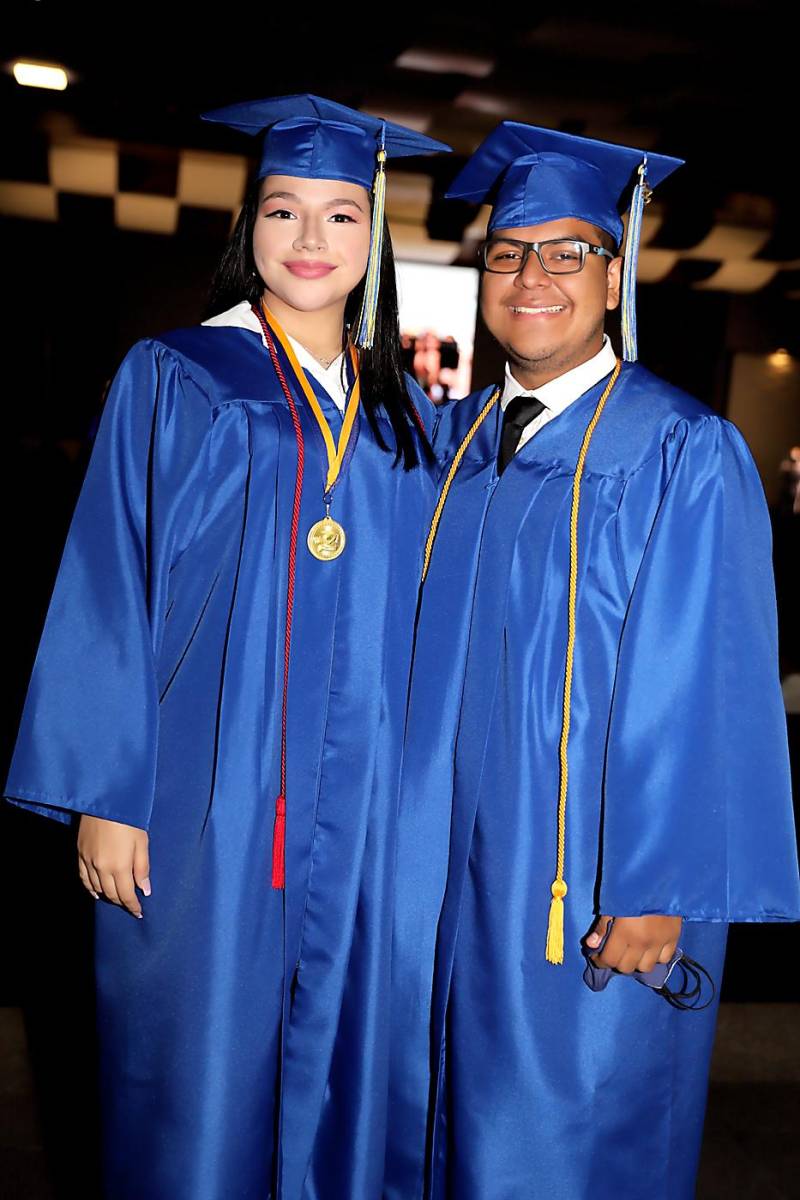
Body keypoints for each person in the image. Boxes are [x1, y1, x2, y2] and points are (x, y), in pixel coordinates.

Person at [4, 94, 450, 1200]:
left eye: (341, 216)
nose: (310, 240)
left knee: (348, 1063)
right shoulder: (177, 376)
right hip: (208, 795)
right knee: (195, 1065)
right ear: (245, 228)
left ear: (373, 237)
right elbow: (109, 579)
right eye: (283, 210)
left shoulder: (405, 418)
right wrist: (105, 789)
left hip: (363, 813)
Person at [388, 122, 800, 1199]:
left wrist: (658, 884)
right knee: (444, 1122)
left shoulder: (678, 450)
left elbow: (704, 681)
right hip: (445, 867)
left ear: (613, 270)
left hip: (587, 873)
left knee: (565, 1132)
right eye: (507, 253)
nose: (532, 277)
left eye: (566, 250)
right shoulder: (455, 441)